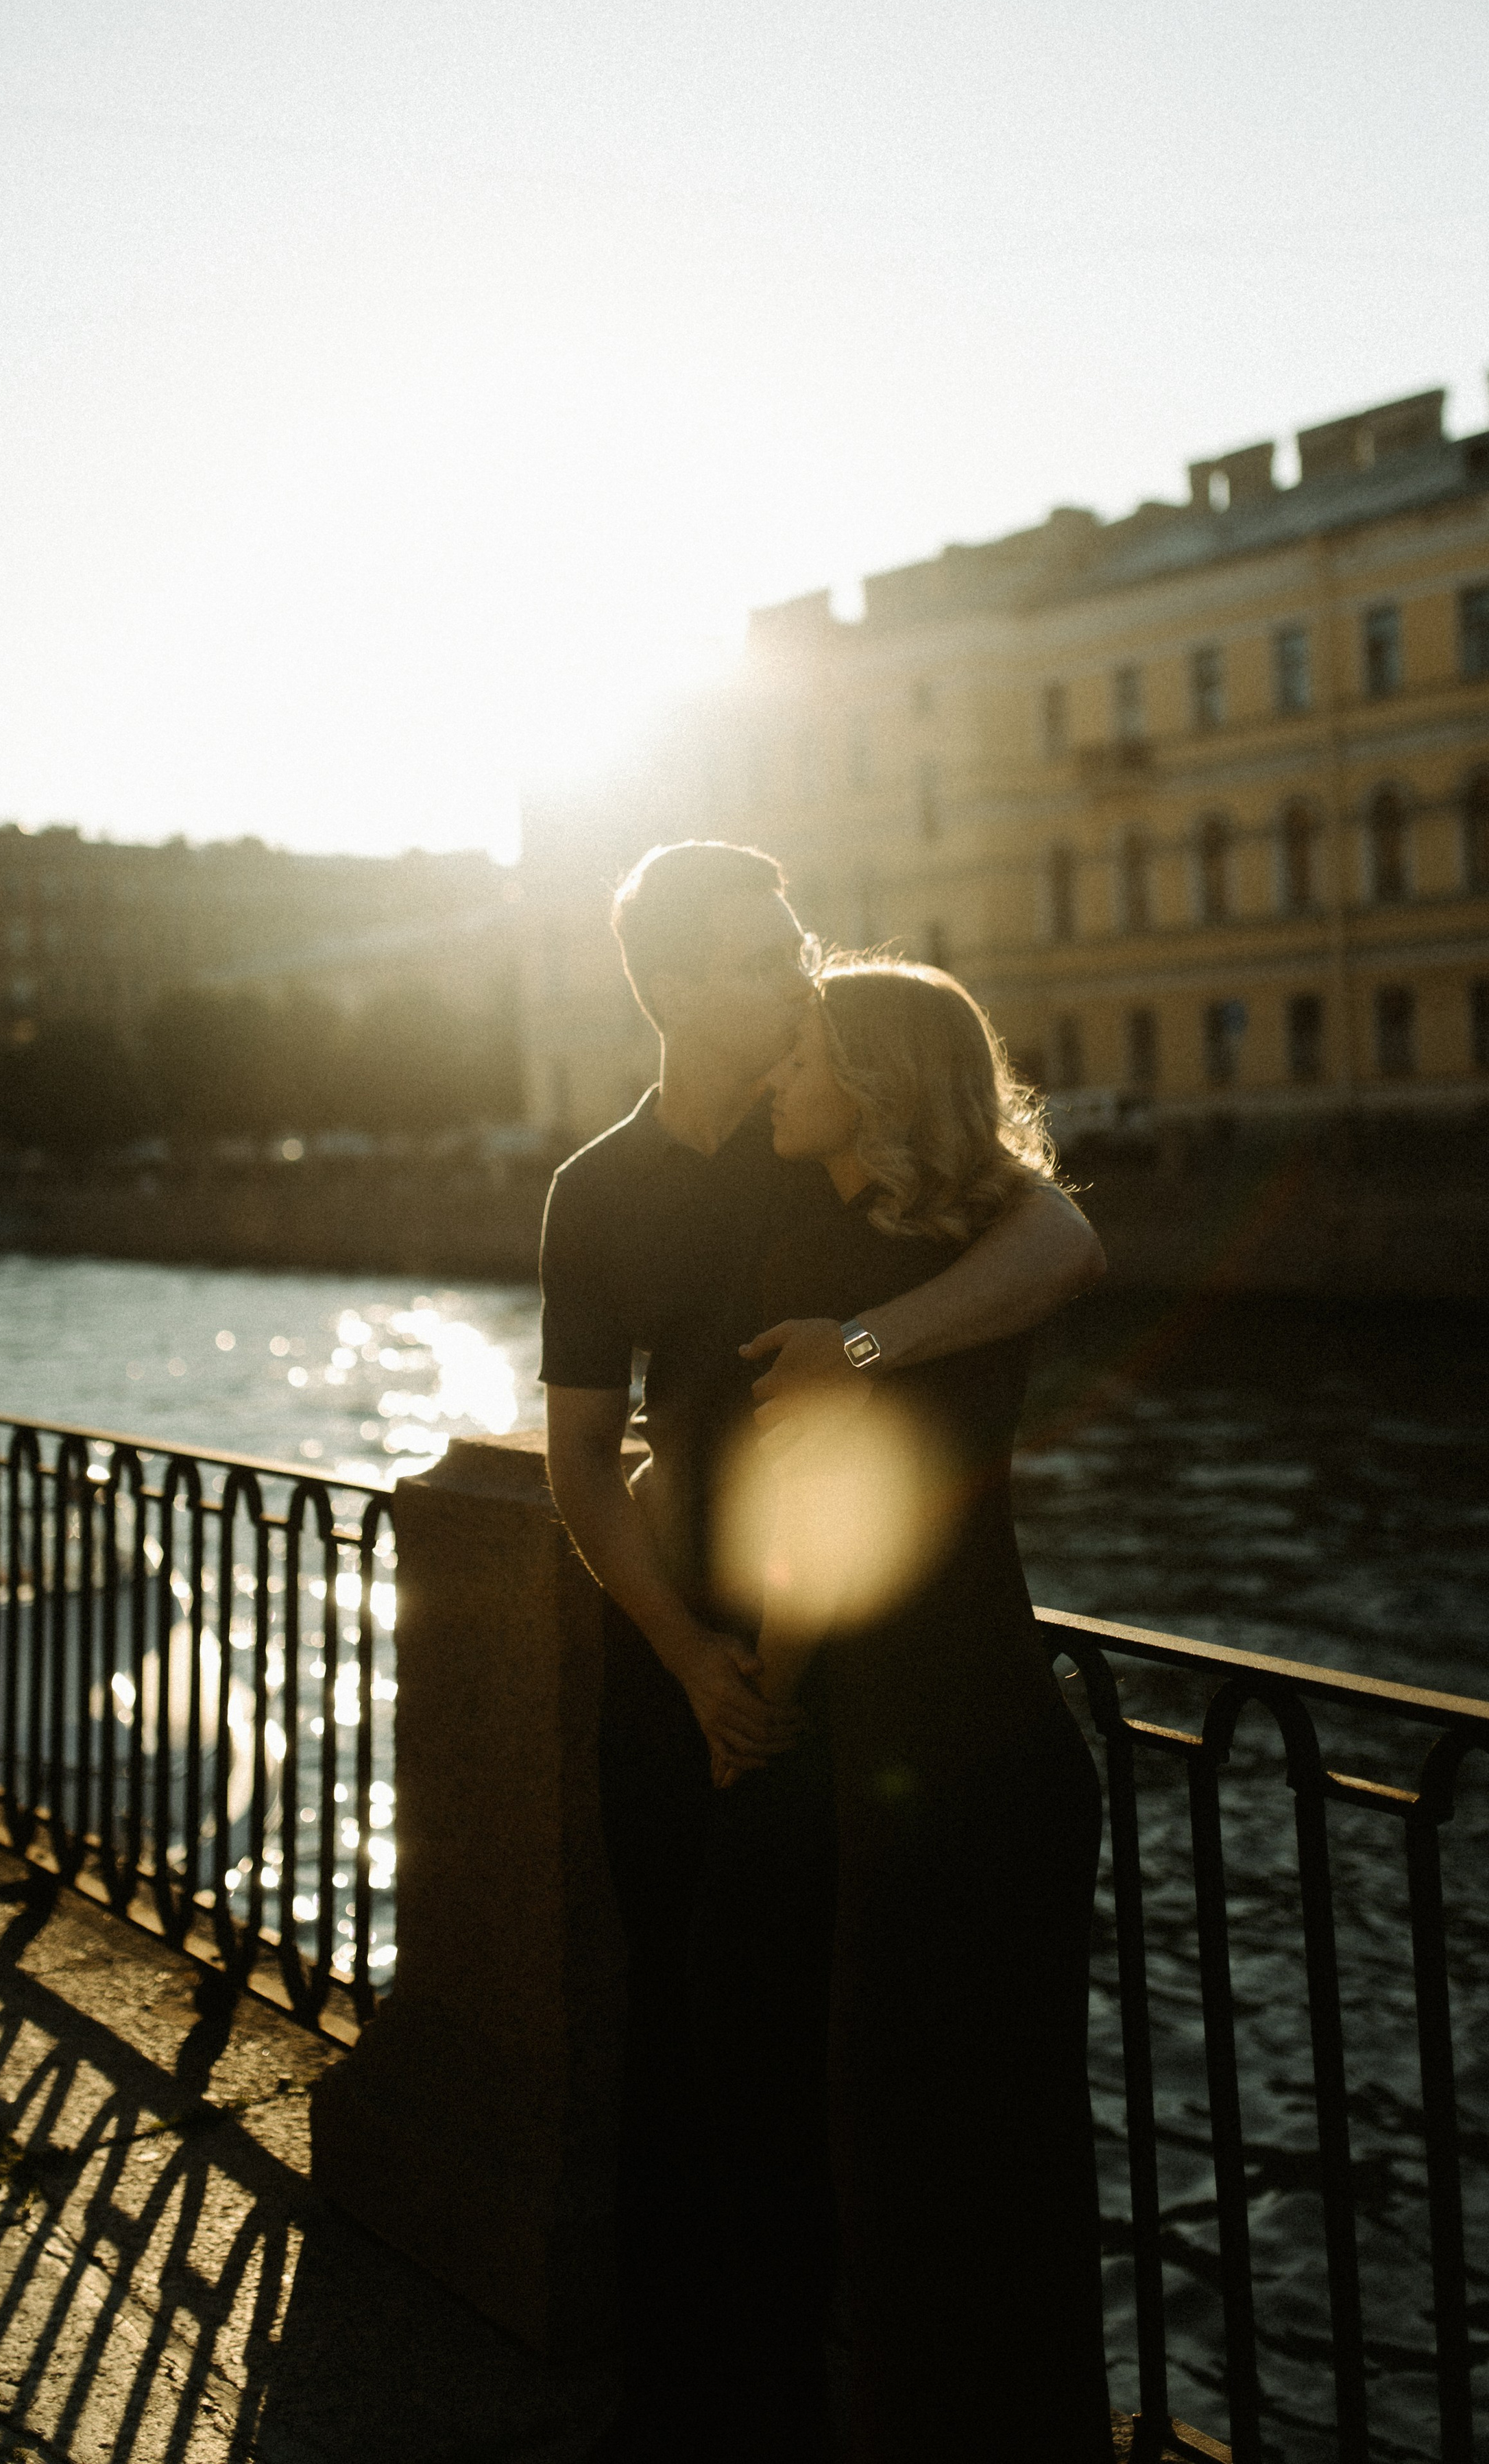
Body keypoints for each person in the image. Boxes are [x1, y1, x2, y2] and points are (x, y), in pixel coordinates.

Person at [539, 841, 1106, 2459]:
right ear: (668, 989)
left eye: (792, 947)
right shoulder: (601, 1188)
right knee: (684, 2058)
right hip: (685, 1681)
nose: (791, 978)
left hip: (833, 1690)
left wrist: (868, 1344)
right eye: (752, 959)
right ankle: (692, 2414)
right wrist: (685, 1659)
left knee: (829, 2070)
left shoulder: (828, 1125)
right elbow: (579, 1465)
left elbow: (1058, 1244)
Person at [701, 957, 1111, 2463]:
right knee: (1023, 2159)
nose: (776, 1077)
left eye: (804, 1054)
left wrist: (762, 1689)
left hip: (908, 1763)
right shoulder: (973, 1242)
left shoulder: (816, 1270)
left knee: (892, 2162)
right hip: (1016, 1743)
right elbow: (1062, 1230)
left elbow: (817, 1537)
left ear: (871, 1085)